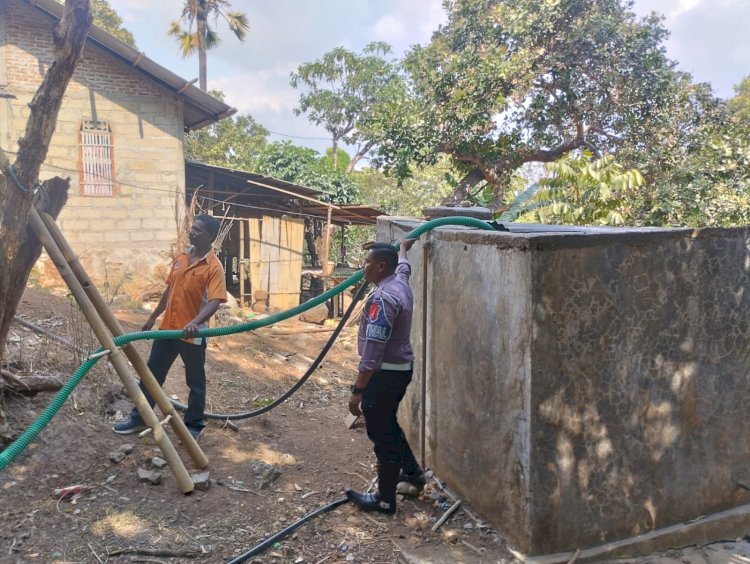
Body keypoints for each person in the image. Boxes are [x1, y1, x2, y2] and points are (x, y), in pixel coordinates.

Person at [113, 214, 227, 441]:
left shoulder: (214, 267)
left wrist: (195, 322)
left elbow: (215, 300)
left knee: (195, 381)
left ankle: (193, 425)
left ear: (211, 236)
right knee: (151, 375)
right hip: (168, 329)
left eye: (198, 230)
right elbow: (169, 290)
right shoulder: (181, 257)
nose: (192, 232)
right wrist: (154, 316)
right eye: (192, 228)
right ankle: (140, 418)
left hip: (192, 334)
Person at [345, 238, 426, 514]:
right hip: (401, 370)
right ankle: (413, 474)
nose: (362, 267)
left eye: (366, 262)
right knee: (389, 425)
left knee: (382, 437)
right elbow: (404, 267)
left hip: (384, 375)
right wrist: (404, 247)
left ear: (380, 266)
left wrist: (358, 391)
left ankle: (385, 499)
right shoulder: (399, 283)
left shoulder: (382, 299)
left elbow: (372, 355)